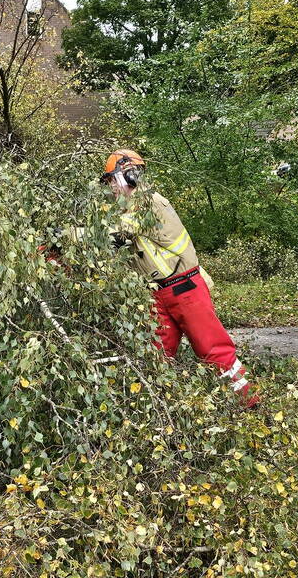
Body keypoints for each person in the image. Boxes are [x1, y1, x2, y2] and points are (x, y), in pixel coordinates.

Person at [100, 149, 256, 406]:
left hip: (184, 288)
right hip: (158, 292)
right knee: (155, 353)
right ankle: (160, 408)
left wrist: (66, 236)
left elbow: (115, 232)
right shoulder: (128, 209)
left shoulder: (149, 203)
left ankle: (247, 400)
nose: (111, 188)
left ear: (129, 176)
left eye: (111, 180)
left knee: (212, 348)